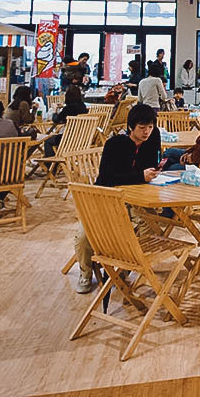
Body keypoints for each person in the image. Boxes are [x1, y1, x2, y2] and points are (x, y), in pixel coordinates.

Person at [73, 103, 161, 293]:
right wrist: (140, 176)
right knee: (84, 236)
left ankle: (126, 268)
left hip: (135, 198)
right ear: (131, 127)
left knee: (149, 229)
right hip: (105, 197)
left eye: (150, 127)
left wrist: (151, 173)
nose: (147, 132)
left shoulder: (152, 140)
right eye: (142, 128)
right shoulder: (115, 144)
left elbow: (149, 167)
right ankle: (85, 273)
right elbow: (106, 178)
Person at [42, 85, 88, 156]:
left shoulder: (69, 108)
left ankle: (50, 165)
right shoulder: (83, 106)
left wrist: (54, 110)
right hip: (82, 138)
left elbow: (56, 120)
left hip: (69, 138)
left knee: (48, 140)